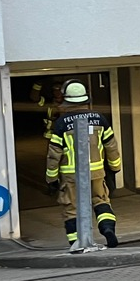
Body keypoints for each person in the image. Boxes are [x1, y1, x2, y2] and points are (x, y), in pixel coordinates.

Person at [45, 80, 122, 248]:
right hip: (96, 172)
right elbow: (111, 145)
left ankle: (76, 243)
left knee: (71, 208)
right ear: (85, 99)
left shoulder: (61, 124)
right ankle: (108, 229)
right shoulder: (99, 119)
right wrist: (114, 169)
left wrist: (51, 179)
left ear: (66, 100)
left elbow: (54, 155)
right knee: (101, 201)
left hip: (71, 176)